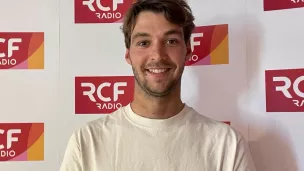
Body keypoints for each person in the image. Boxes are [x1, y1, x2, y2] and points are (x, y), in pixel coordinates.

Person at [59, 0, 256, 170]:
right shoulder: (87, 141)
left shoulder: (227, 145)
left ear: (187, 51)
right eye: (144, 43)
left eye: (171, 41)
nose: (158, 55)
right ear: (128, 55)